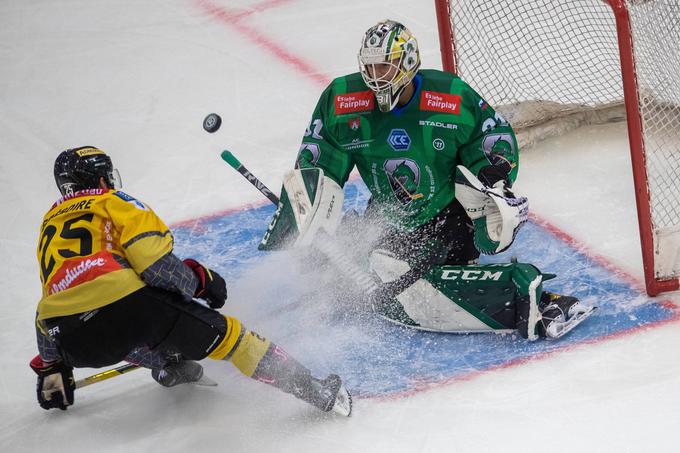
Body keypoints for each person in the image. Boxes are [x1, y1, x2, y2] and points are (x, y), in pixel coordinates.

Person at [259, 20, 594, 340]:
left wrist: (493, 169)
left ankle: (517, 288)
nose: (375, 77)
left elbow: (491, 135)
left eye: (384, 67)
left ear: (406, 64)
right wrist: (310, 201)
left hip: (449, 213)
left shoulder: (449, 96)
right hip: (388, 211)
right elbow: (321, 153)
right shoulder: (343, 100)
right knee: (344, 271)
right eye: (370, 67)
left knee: (413, 274)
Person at [29, 146, 351, 416]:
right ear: (101, 178)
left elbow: (48, 308)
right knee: (231, 338)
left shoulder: (49, 223)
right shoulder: (116, 203)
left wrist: (51, 368)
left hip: (71, 340)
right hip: (129, 311)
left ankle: (168, 363)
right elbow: (155, 267)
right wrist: (200, 280)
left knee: (118, 329)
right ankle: (316, 390)